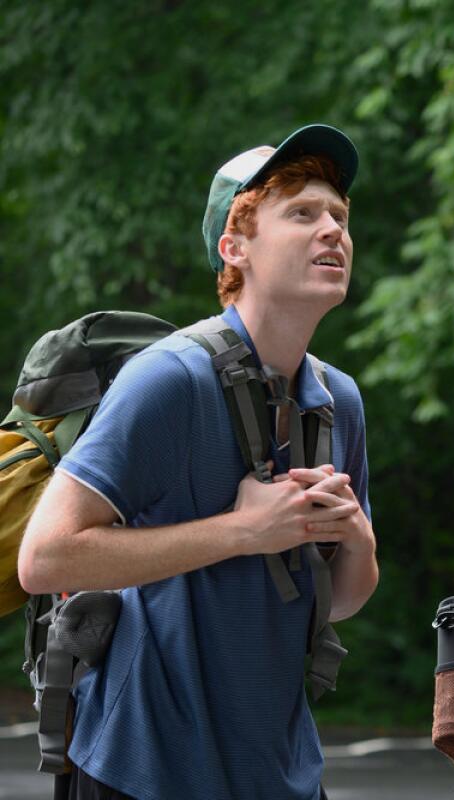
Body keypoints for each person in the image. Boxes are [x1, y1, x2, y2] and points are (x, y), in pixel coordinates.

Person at [18, 124, 378, 800]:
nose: (332, 229)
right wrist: (244, 532)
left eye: (339, 215)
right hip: (143, 768)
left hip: (278, 770)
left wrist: (355, 537)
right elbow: (45, 557)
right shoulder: (170, 379)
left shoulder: (337, 401)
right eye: (302, 213)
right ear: (234, 248)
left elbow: (343, 602)